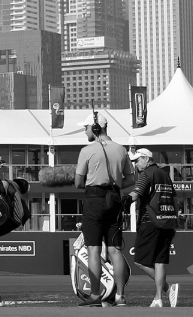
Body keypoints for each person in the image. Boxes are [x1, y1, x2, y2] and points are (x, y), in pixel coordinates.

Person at [73, 111, 134, 307]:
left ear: (95, 128)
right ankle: (120, 296)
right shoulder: (121, 149)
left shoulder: (86, 150)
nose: (85, 131)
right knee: (115, 250)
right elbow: (131, 179)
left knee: (93, 249)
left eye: (86, 128)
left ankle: (95, 295)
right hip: (114, 200)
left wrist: (92, 182)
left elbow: (78, 182)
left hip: (94, 200)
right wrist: (115, 186)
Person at [128, 148, 179, 308]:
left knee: (140, 261)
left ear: (146, 159)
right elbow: (175, 200)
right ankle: (158, 299)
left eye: (137, 160)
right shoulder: (164, 174)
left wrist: (120, 201)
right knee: (159, 261)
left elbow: (135, 194)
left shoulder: (146, 174)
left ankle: (167, 288)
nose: (136, 164)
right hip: (167, 222)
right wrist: (174, 220)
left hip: (150, 221)